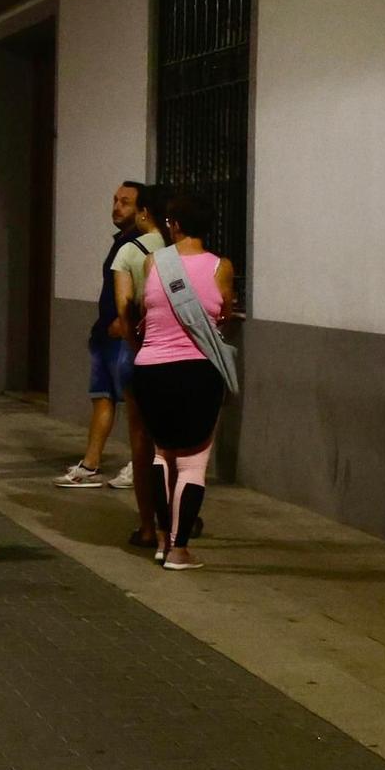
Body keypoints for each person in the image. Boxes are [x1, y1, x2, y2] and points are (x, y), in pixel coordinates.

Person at [128, 189, 236, 570]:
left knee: (161, 454)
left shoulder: (153, 263)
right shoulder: (221, 267)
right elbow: (224, 314)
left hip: (151, 371)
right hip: (197, 372)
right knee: (192, 464)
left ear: (173, 225)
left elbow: (143, 308)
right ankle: (179, 550)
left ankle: (161, 539)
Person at [54, 181, 155, 489]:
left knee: (136, 405)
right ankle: (90, 463)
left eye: (125, 202)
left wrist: (126, 324)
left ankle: (139, 464)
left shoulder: (144, 246)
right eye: (114, 200)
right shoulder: (120, 243)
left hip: (125, 334)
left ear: (142, 210)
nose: (116, 207)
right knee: (101, 397)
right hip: (105, 333)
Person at [107, 184, 169, 539]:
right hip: (176, 354)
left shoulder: (129, 251)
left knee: (141, 442)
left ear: (144, 212)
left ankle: (148, 525)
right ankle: (178, 516)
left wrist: (135, 346)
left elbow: (124, 309)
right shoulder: (182, 250)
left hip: (140, 353)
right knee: (175, 444)